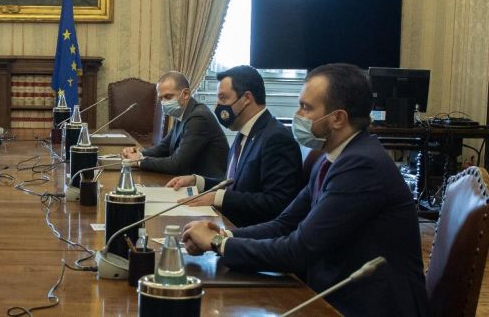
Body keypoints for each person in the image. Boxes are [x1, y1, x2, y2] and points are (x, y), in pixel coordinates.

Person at [182, 63, 430, 317]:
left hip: (366, 305)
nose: (297, 114)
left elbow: (298, 251)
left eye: (306, 107)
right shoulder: (331, 158)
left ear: (338, 118)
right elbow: (284, 224)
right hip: (332, 292)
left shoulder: (362, 165)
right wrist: (225, 234)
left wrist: (218, 243)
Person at [164, 65, 302, 227]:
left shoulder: (276, 138)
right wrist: (197, 181)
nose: (217, 106)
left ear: (247, 98)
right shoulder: (244, 132)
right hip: (230, 224)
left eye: (223, 98)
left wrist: (218, 198)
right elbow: (233, 185)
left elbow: (276, 203)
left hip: (250, 232)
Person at [121, 71, 229, 179]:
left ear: (185, 94)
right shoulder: (183, 113)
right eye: (161, 98)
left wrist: (139, 161)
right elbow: (164, 148)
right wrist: (139, 153)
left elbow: (177, 165)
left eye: (168, 97)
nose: (163, 102)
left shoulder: (198, 118)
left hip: (207, 184)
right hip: (188, 179)